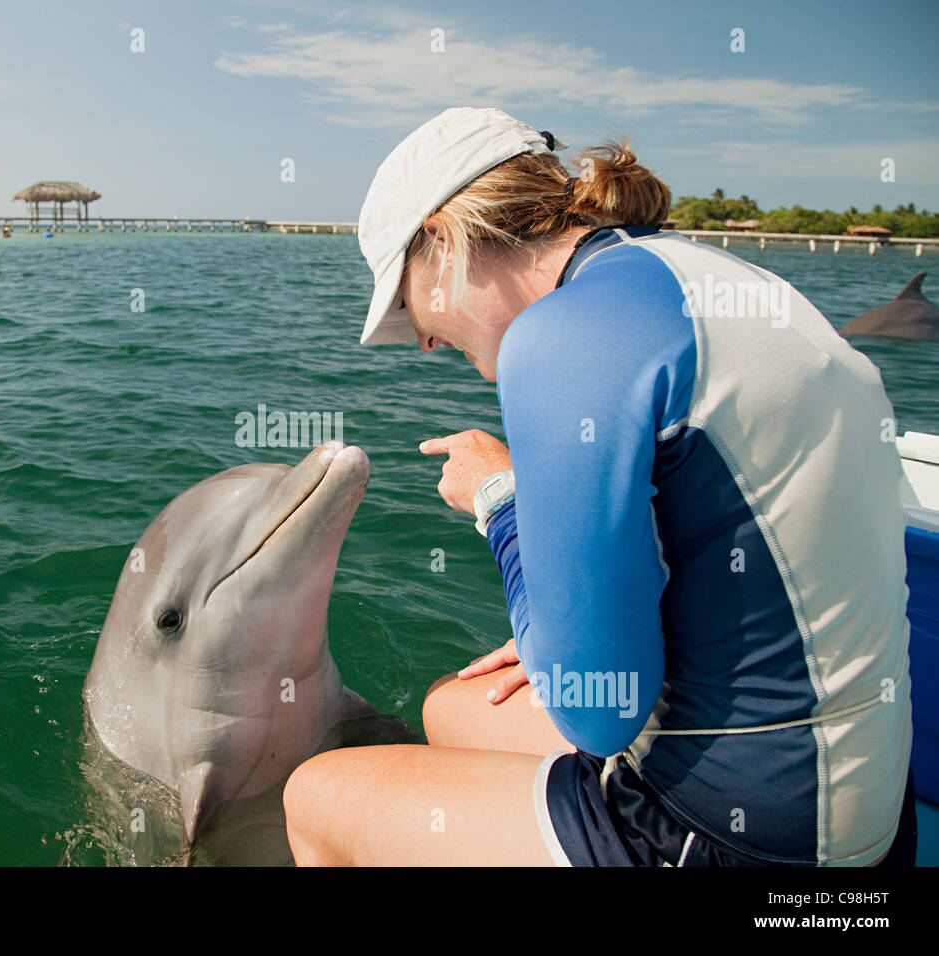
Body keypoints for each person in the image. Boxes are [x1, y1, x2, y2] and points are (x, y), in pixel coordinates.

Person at [282, 107, 916, 867]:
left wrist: (499, 502)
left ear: (444, 241)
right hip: (868, 801)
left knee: (317, 797)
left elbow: (596, 713)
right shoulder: (710, 276)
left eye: (405, 300)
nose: (418, 337)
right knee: (450, 704)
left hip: (741, 838)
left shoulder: (564, 338)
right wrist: (564, 626)